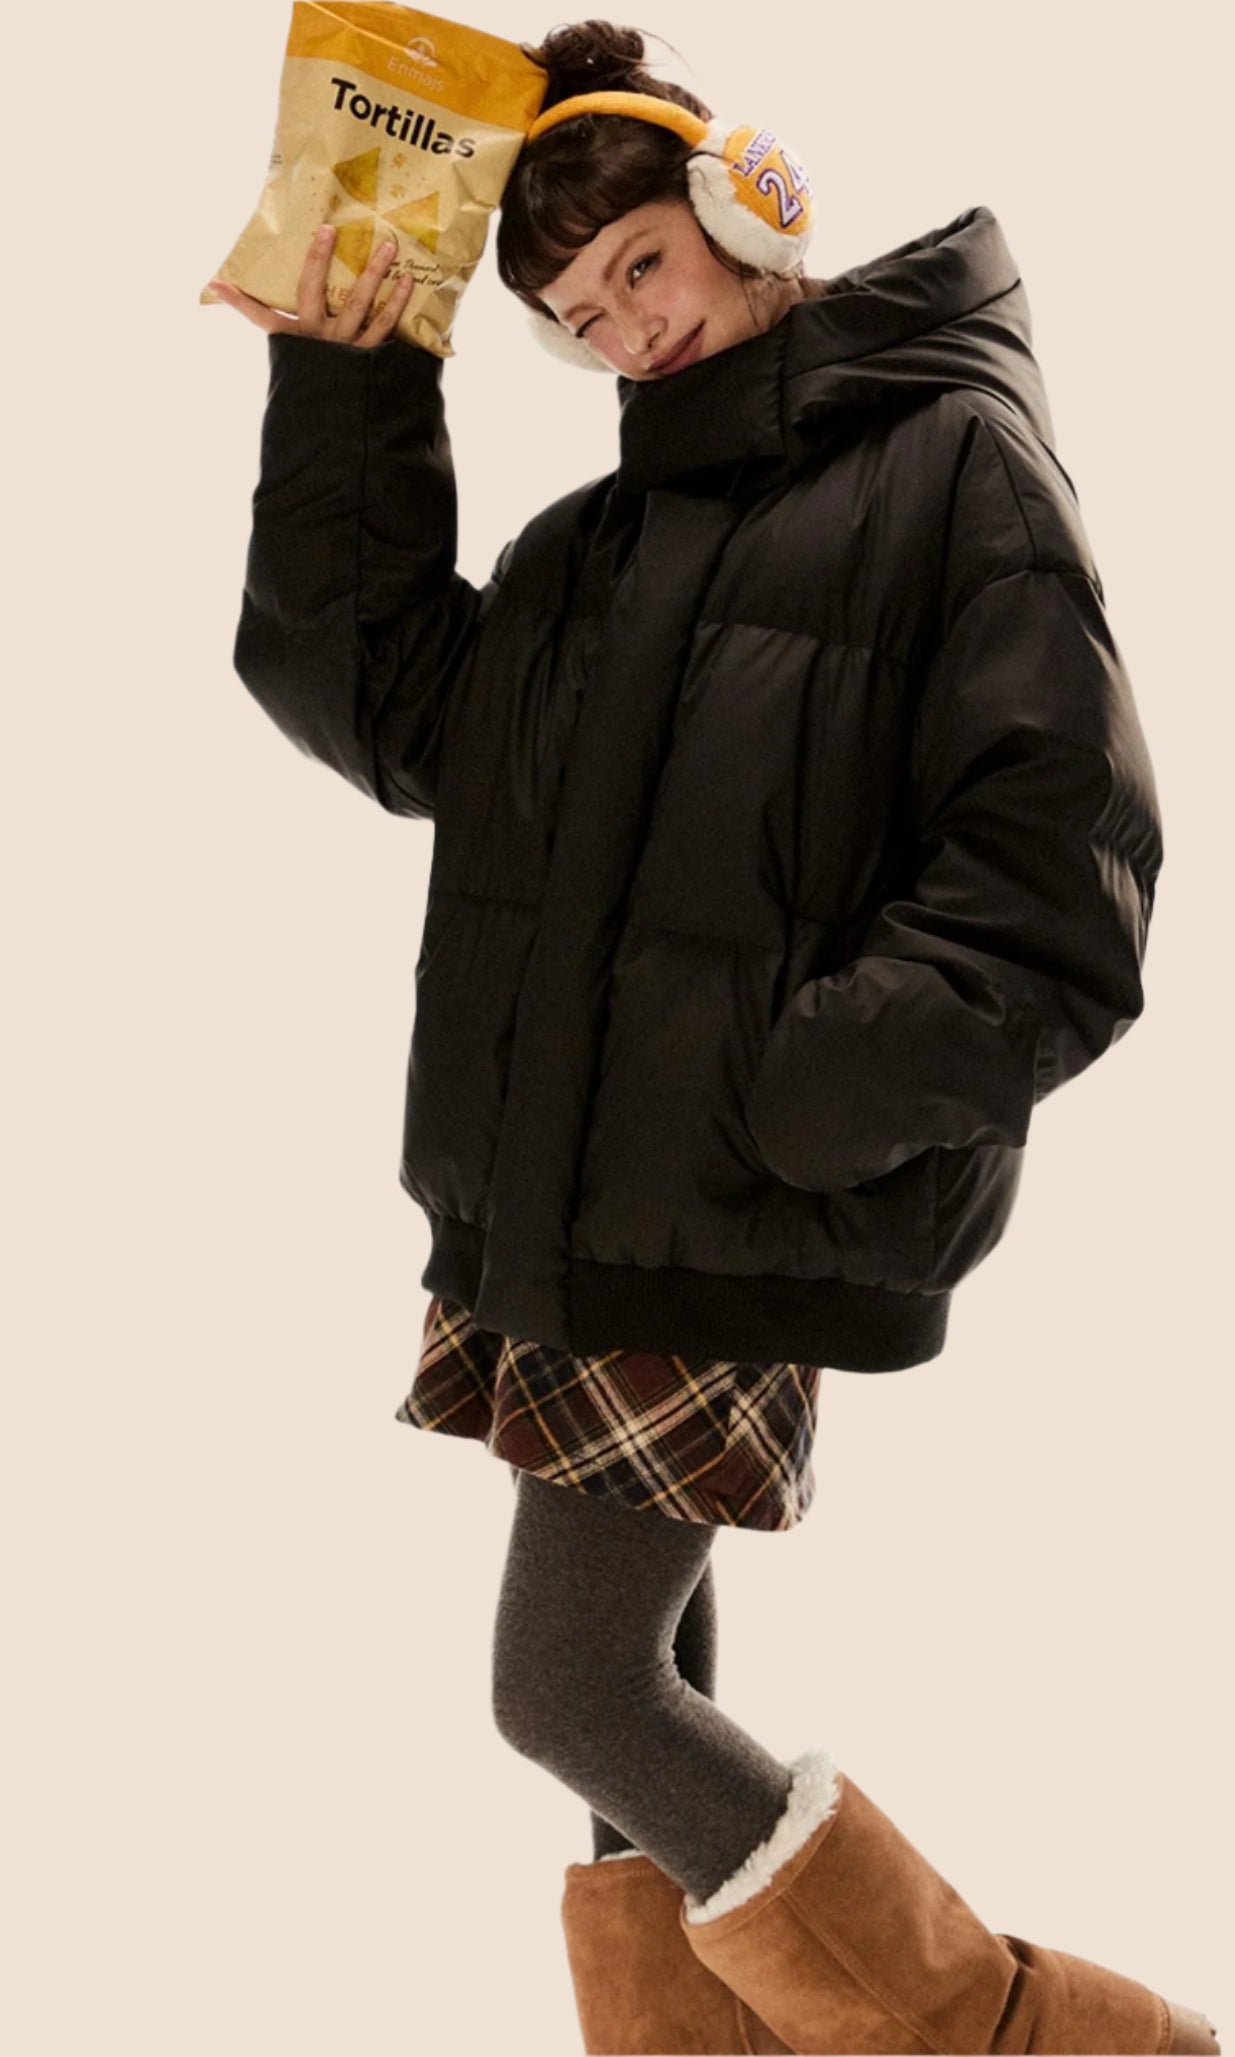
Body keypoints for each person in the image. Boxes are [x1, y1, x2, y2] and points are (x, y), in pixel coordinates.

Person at [204, 18, 1218, 2055]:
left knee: (569, 1689)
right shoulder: (599, 549)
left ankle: (1032, 2041)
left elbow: (1060, 865)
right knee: (640, 1688)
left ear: (748, 205)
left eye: (642, 267)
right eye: (577, 317)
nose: (625, 330)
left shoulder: (951, 466)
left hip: (723, 1195)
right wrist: (347, 380)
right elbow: (380, 706)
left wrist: (796, 1092)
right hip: (580, 1205)